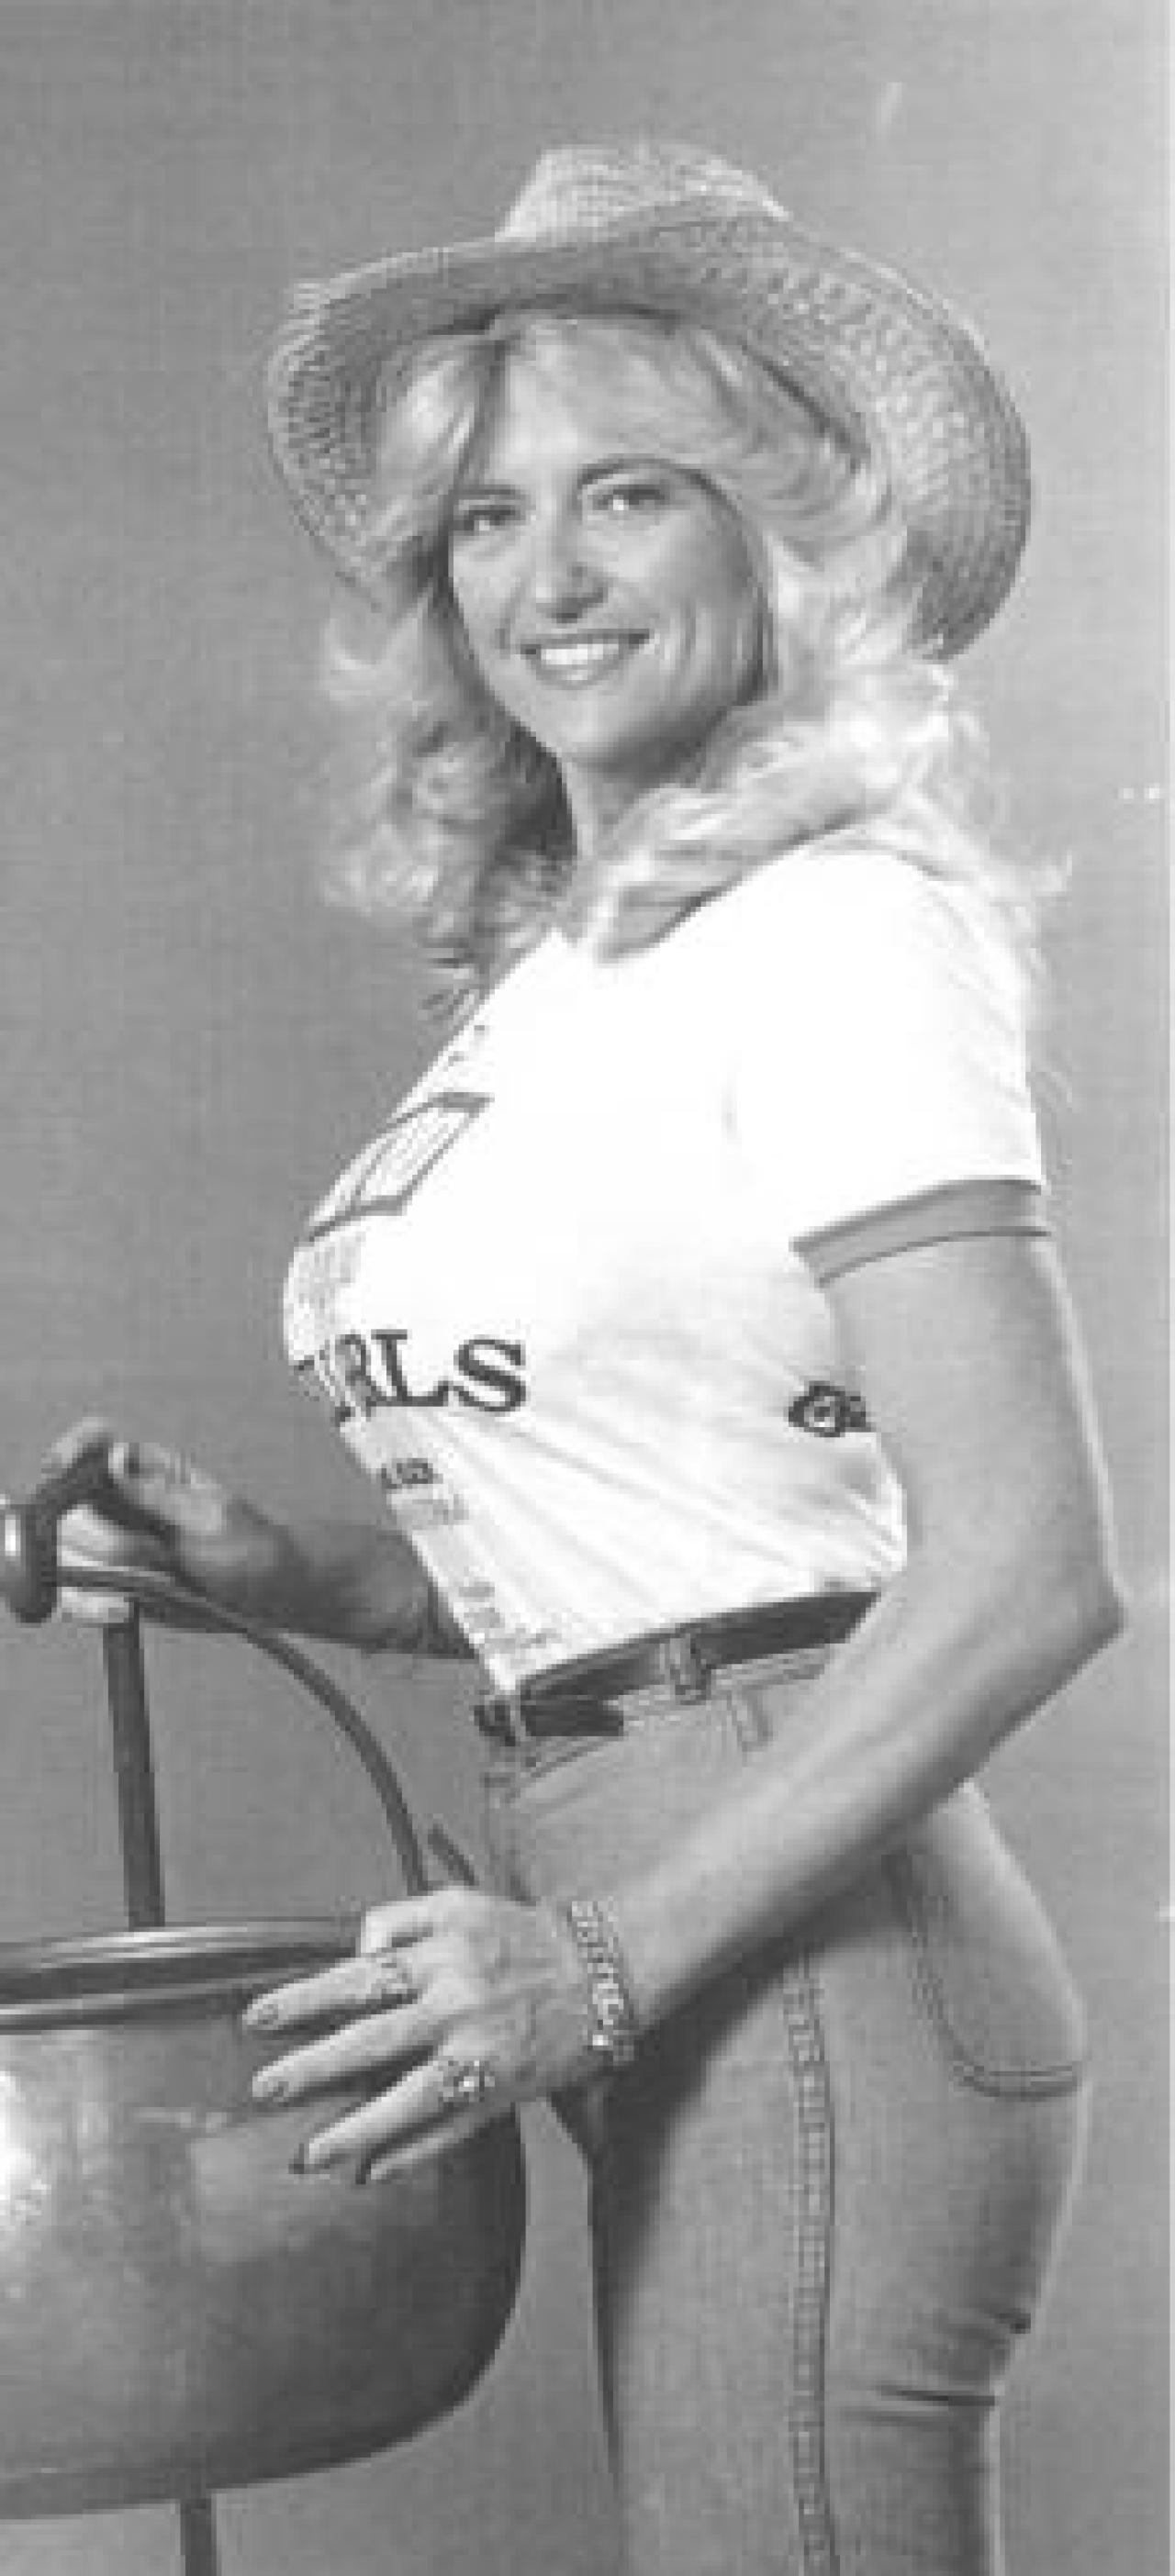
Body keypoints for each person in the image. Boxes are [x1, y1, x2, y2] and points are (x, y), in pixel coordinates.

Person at [55, 144, 1125, 2576]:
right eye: (486, 516)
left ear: (782, 532)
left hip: (786, 1941)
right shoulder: (578, 972)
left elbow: (1030, 1568)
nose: (546, 577)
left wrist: (606, 1965)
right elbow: (686, 1537)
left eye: (628, 493)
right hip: (655, 1908)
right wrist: (297, 1572)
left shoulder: (842, 929)